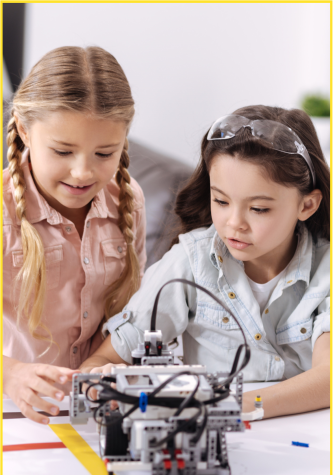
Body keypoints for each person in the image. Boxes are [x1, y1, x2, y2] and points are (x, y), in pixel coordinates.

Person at [80, 105, 330, 419]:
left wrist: (218, 405)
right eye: (221, 201)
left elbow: (328, 380)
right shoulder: (189, 262)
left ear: (307, 205)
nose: (234, 222)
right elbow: (99, 362)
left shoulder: (326, 268)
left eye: (259, 209)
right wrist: (103, 382)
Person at [3, 46, 147, 424]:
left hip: (96, 411)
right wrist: (11, 375)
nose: (83, 172)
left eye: (104, 153)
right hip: (15, 414)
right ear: (23, 129)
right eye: (63, 151)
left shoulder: (129, 201)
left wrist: (109, 362)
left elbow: (130, 314)